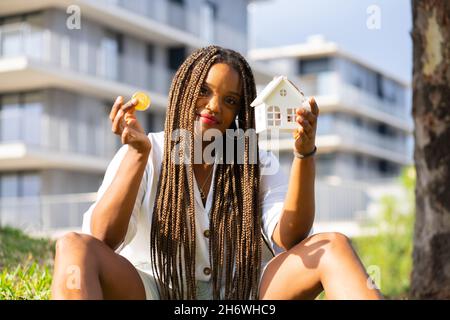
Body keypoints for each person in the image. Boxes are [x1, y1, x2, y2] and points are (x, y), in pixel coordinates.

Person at [50, 46, 382, 300]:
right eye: (204, 91)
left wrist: (304, 153)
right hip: (156, 291)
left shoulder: (255, 160)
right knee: (73, 246)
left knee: (333, 245)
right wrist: (137, 156)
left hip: (242, 297)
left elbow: (290, 238)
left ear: (239, 111)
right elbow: (102, 239)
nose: (214, 106)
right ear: (183, 91)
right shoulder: (147, 149)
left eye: (230, 100)